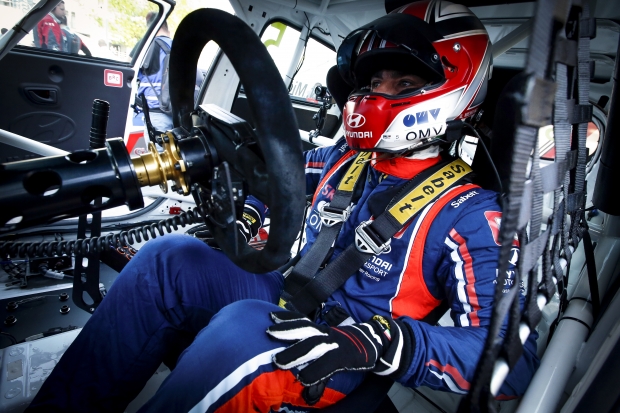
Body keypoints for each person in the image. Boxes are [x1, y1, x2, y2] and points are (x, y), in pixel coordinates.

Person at [27, 1, 539, 412]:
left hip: (349, 349)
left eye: (403, 84)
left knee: (242, 330)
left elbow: (512, 362)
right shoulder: (344, 158)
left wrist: (386, 343)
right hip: (287, 293)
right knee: (168, 259)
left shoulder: (473, 215)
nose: (378, 96)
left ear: (457, 89)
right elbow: (276, 177)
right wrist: (249, 211)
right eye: (373, 83)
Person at [136, 12, 174, 133]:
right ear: (167, 29)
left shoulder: (145, 45)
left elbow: (129, 73)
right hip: (178, 114)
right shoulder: (179, 46)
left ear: (150, 28)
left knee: (158, 146)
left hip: (156, 114)